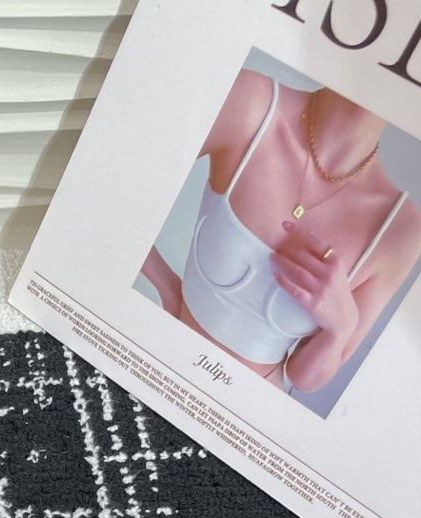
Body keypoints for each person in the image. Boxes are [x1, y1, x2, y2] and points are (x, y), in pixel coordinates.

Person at [141, 68, 421, 394]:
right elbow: (121, 184)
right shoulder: (251, 103)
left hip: (248, 410)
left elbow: (303, 379)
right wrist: (168, 286)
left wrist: (341, 328)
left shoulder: (401, 229)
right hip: (161, 363)